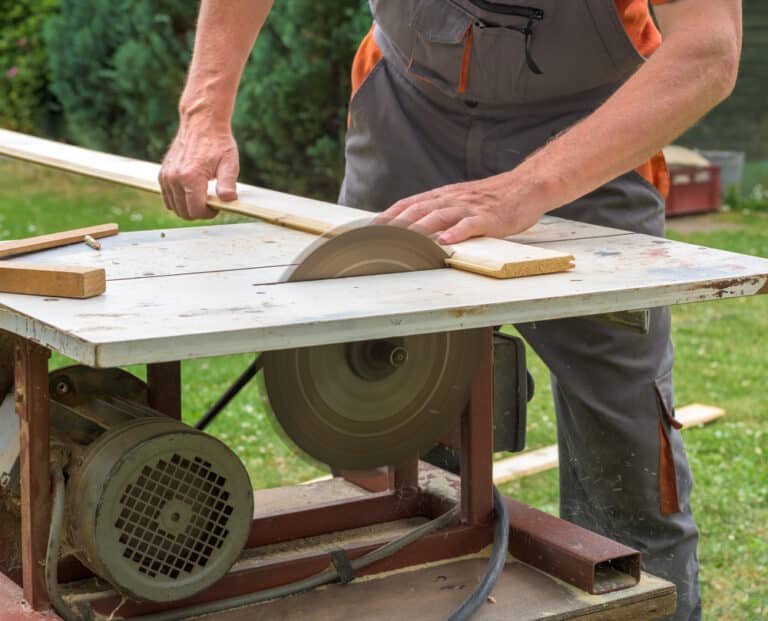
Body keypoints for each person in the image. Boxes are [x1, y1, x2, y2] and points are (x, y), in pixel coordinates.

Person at [159, 2, 742, 619]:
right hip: (410, 112)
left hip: (597, 128)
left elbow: (708, 50)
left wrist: (528, 187)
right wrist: (204, 115)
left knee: (626, 453)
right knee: (378, 417)